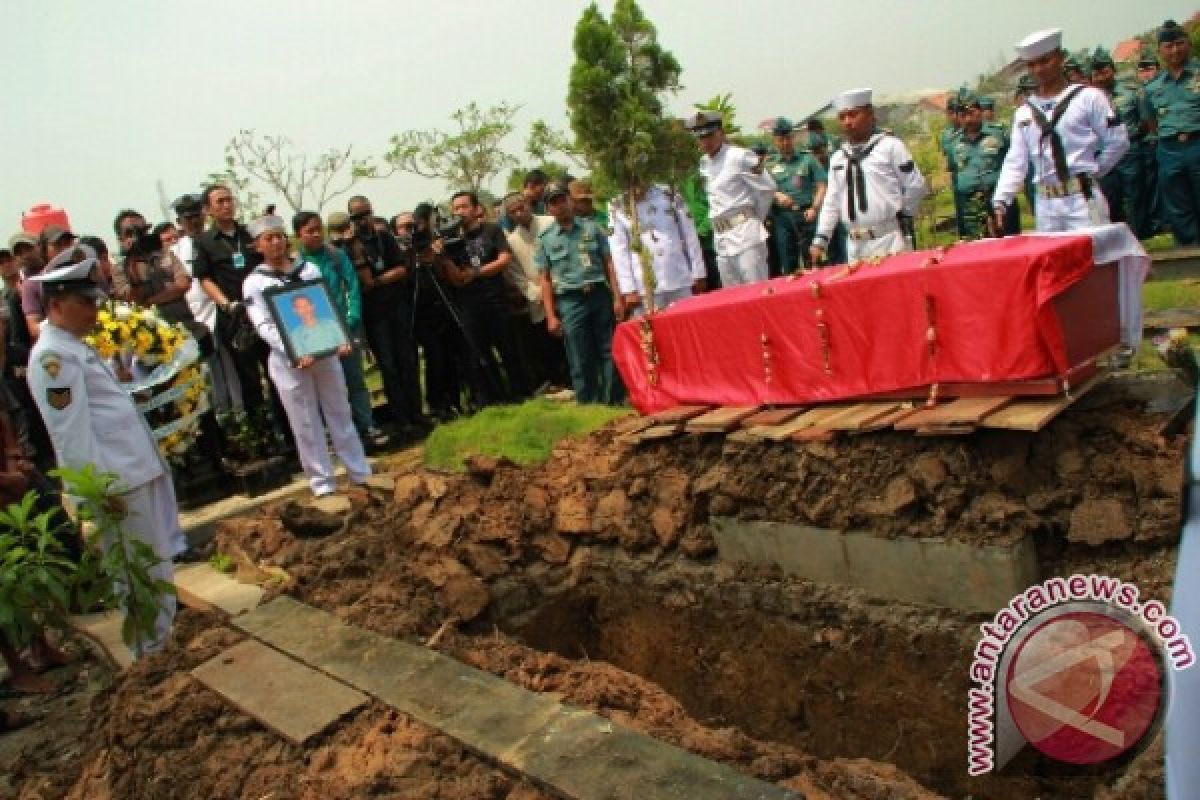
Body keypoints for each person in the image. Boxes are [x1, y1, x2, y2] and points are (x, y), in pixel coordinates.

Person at [27, 246, 177, 657]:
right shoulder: (52, 358)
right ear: (56, 304)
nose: (94, 310)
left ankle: (163, 647)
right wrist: (96, 491)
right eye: (84, 302)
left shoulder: (75, 345)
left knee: (156, 566)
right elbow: (70, 435)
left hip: (134, 471)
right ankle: (152, 655)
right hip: (117, 485)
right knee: (137, 575)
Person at [241, 215, 371, 497]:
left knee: (340, 411)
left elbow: (327, 307)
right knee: (306, 422)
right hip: (290, 361)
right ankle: (323, 484)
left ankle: (360, 472)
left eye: (279, 236)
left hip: (325, 354)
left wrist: (340, 338)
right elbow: (263, 324)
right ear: (258, 246)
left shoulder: (308, 269)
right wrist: (294, 350)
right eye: (269, 239)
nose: (276, 242)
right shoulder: (254, 283)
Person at [992, 28, 1129, 233]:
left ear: (1061, 58)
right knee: (1054, 262)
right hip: (1046, 204)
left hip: (1082, 198)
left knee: (1093, 256)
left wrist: (1094, 171)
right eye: (1032, 64)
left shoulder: (1088, 98)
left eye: (1045, 61)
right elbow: (1016, 161)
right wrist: (1001, 200)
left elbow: (1118, 141)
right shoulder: (1024, 112)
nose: (1039, 69)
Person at [293, 211, 382, 447]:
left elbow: (352, 285)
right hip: (315, 332)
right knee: (325, 384)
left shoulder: (335, 254)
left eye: (317, 229)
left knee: (355, 379)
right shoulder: (295, 263)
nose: (315, 235)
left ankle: (367, 426)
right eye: (309, 231)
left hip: (344, 325)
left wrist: (353, 316)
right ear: (298, 235)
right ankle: (335, 434)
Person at [811, 88, 927, 264]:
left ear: (870, 114)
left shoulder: (889, 147)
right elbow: (832, 202)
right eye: (842, 117)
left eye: (853, 115)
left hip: (888, 239)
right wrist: (821, 239)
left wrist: (903, 214)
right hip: (855, 245)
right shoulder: (838, 158)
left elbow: (915, 185)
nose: (847, 122)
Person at [534, 184, 625, 405]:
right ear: (548, 208)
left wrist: (617, 298)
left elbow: (609, 264)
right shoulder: (545, 239)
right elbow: (545, 279)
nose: (560, 205)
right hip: (570, 301)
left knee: (609, 351)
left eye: (562, 199)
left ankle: (612, 402)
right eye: (554, 202)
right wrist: (551, 315)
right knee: (579, 356)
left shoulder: (592, 229)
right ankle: (589, 405)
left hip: (599, 295)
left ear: (570, 201)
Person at [344, 195, 426, 435]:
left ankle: (417, 414)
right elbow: (362, 284)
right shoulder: (351, 246)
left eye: (365, 213)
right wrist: (379, 280)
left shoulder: (385, 238)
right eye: (356, 217)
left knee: (408, 362)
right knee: (388, 367)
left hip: (397, 308)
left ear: (371, 212)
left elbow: (402, 269)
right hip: (374, 316)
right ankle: (402, 421)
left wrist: (379, 279)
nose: (362, 220)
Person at [191, 185, 270, 415]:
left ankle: (287, 431)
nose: (227, 205)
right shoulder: (204, 242)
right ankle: (262, 435)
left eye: (229, 200)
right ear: (208, 210)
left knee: (275, 371)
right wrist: (226, 304)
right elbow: (204, 279)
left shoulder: (250, 234)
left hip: (263, 310)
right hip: (234, 318)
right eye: (220, 202)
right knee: (248, 378)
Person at [446, 190, 529, 407]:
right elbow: (456, 279)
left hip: (496, 300)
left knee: (509, 349)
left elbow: (504, 259)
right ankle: (495, 398)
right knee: (480, 355)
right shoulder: (451, 241)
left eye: (464, 207)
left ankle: (521, 393)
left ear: (475, 209)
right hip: (469, 306)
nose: (460, 212)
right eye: (456, 208)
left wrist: (476, 273)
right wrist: (441, 257)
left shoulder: (491, 230)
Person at [685, 110, 774, 286]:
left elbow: (767, 187)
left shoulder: (739, 156)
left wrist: (755, 217)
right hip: (721, 239)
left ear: (721, 133)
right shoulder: (704, 163)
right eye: (701, 137)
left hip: (745, 235)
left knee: (757, 294)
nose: (705, 141)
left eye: (710, 135)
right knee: (733, 300)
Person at [1140, 20, 1200, 245]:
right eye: (1168, 46)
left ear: (1188, 45)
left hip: (1198, 143)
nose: (1174, 50)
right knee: (1178, 206)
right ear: (1160, 51)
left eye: (1179, 43)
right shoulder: (1152, 87)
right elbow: (1151, 121)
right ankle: (1188, 258)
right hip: (1169, 150)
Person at [609, 182, 706, 317]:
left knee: (688, 327)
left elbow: (689, 233)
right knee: (654, 334)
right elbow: (619, 251)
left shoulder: (670, 193)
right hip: (645, 287)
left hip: (678, 277)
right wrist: (629, 289)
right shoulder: (617, 205)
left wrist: (698, 272)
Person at [503, 192, 568, 391]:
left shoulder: (550, 223)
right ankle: (560, 383)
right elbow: (516, 275)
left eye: (521, 207)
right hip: (537, 299)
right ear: (509, 215)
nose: (519, 212)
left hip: (563, 288)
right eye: (513, 211)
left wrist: (555, 285)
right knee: (549, 343)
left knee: (570, 337)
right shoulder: (512, 240)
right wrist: (538, 293)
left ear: (528, 205)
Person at [1092, 47, 1151, 236]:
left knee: (1135, 196)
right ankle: (1117, 238)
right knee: (1109, 198)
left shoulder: (1132, 91)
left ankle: (1139, 235)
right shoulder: (1088, 100)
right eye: (1096, 72)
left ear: (1113, 70)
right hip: (1102, 154)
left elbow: (1147, 122)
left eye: (1104, 70)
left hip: (1130, 151)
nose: (1101, 76)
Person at [766, 117, 827, 272]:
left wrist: (815, 208)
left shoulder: (807, 159)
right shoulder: (769, 164)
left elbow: (822, 185)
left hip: (807, 214)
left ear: (792, 138)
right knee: (788, 263)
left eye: (788, 138)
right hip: (783, 218)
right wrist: (776, 195)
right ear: (775, 140)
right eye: (781, 140)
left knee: (814, 262)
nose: (785, 143)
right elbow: (763, 189)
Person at [952, 91, 1014, 238]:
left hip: (998, 199)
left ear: (980, 112)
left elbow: (1013, 161)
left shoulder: (998, 134)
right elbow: (955, 172)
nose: (967, 119)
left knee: (1009, 243)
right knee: (977, 246)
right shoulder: (953, 142)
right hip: (970, 203)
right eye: (963, 115)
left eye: (971, 113)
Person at [941, 92, 967, 237]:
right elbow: (947, 159)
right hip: (957, 179)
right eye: (949, 113)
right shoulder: (947, 135)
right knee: (962, 218)